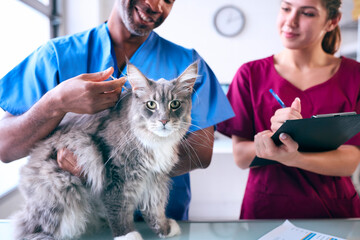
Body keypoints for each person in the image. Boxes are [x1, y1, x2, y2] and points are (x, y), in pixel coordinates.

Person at [0, 0, 234, 220]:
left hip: (154, 223)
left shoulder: (187, 63)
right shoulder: (56, 57)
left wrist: (106, 173)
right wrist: (56, 103)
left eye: (168, 0)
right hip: (75, 218)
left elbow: (201, 152)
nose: (155, 5)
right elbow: (5, 147)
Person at [217, 0, 360, 219]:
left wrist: (294, 158)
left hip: (333, 212)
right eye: (286, 8)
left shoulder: (354, 76)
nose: (290, 21)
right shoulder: (250, 74)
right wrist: (274, 140)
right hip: (267, 210)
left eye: (308, 13)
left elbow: (350, 161)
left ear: (332, 21)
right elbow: (241, 156)